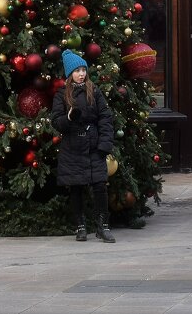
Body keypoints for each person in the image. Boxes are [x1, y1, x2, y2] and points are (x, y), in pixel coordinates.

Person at [51, 49, 116, 244]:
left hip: (94, 146)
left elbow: (105, 117)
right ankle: (80, 226)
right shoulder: (62, 95)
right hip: (73, 148)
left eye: (83, 69)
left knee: (100, 187)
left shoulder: (94, 91)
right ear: (70, 74)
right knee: (77, 188)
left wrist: (104, 144)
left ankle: (103, 226)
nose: (81, 74)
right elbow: (56, 121)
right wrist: (69, 118)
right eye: (77, 70)